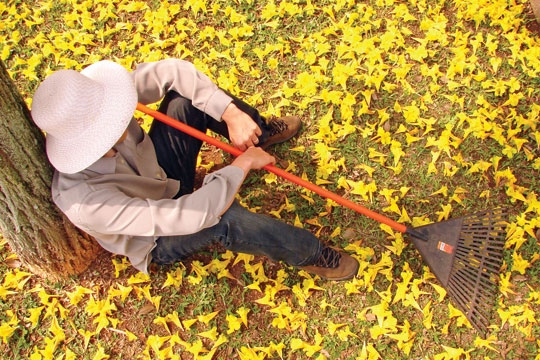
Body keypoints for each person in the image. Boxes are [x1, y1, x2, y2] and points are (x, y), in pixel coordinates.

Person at [30, 59, 359, 281]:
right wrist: (239, 167)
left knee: (185, 101)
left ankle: (257, 132)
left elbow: (174, 72)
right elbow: (186, 217)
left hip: (161, 173)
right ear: (90, 139)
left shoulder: (99, 101)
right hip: (158, 236)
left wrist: (231, 114)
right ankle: (312, 254)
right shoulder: (85, 202)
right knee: (225, 219)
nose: (121, 111)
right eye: (111, 118)